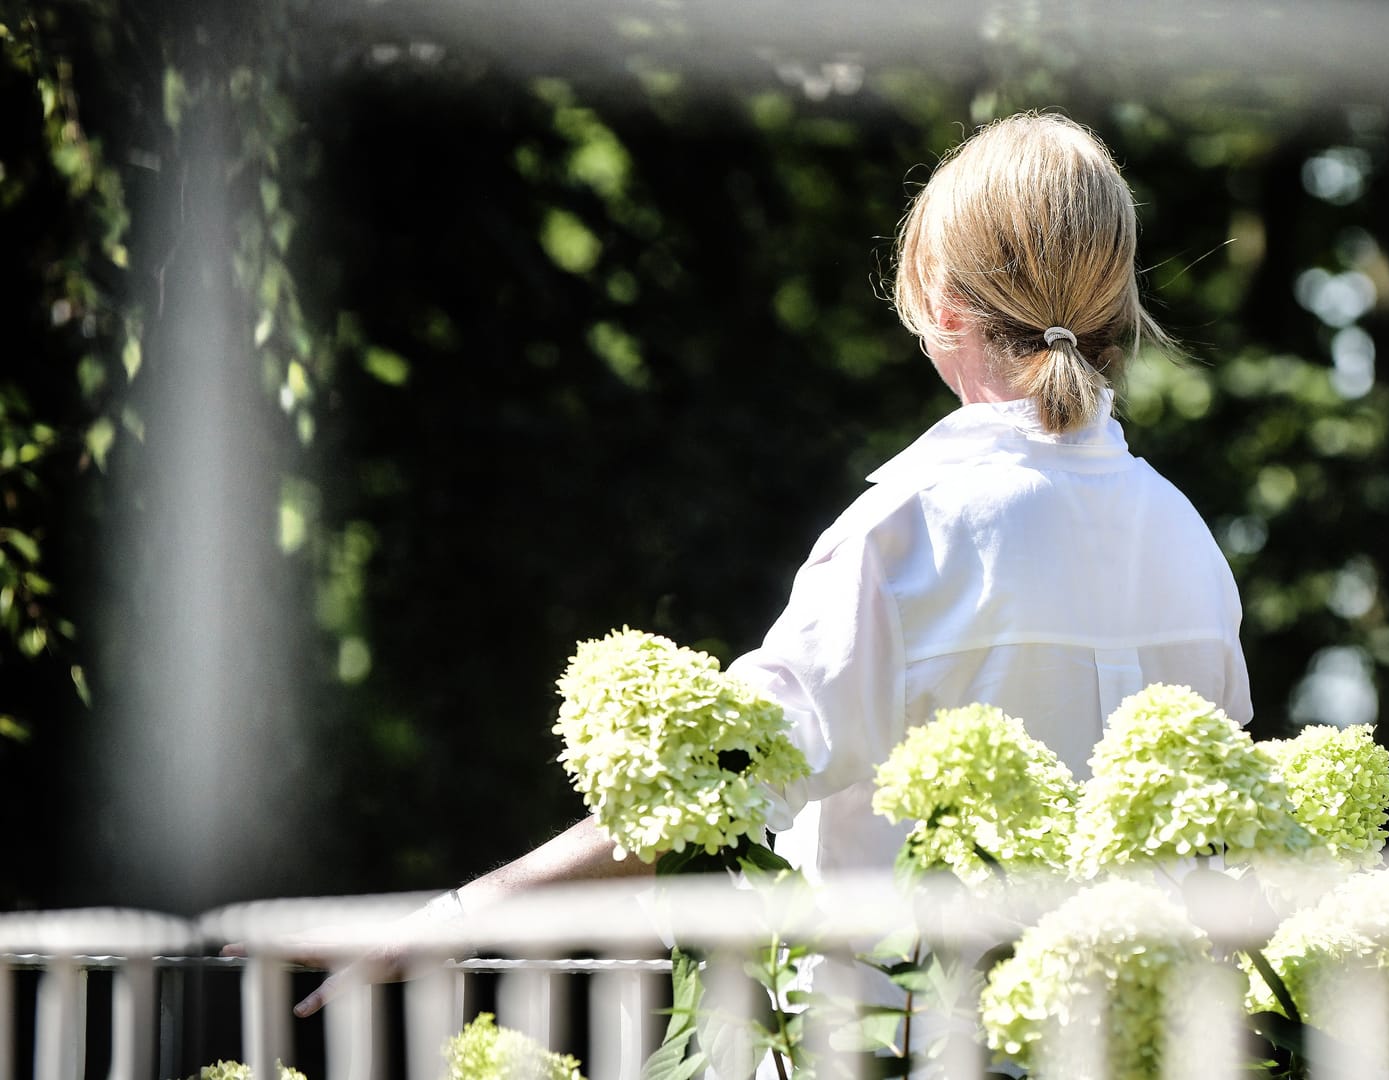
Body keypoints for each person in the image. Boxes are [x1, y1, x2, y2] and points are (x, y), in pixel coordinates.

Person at [269, 108, 1251, 1018]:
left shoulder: (910, 534)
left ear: (939, 300)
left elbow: (707, 794)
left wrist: (449, 919)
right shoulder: (1189, 540)